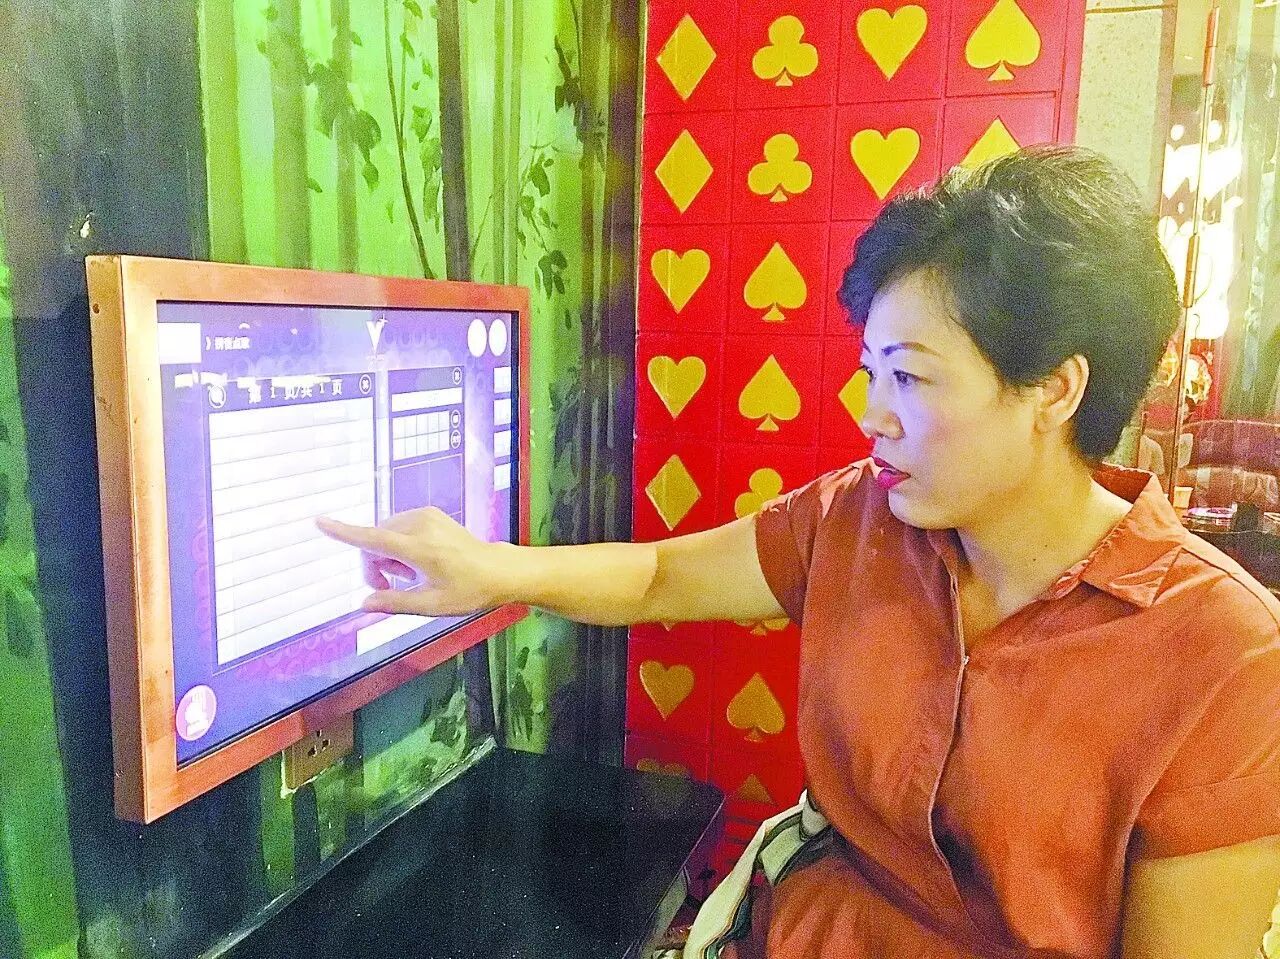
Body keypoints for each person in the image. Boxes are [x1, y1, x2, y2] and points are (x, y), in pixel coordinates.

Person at [318, 146, 1280, 958]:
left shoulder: (1226, 660)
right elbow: (660, 574)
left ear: (1055, 391)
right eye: (872, 372)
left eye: (910, 379)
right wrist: (492, 569)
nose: (873, 416)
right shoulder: (862, 517)